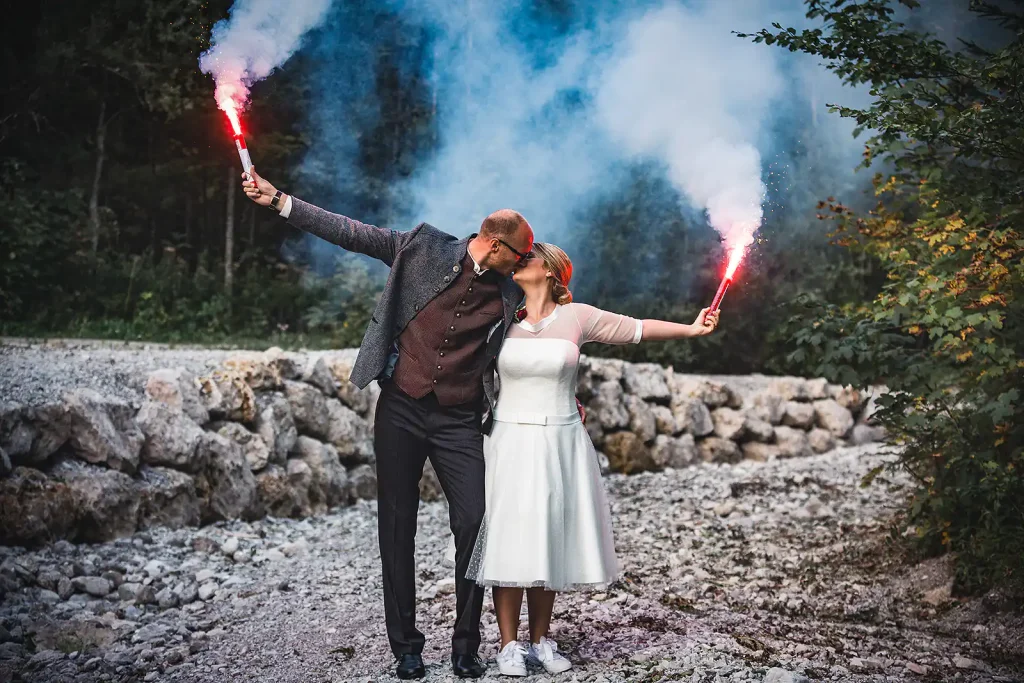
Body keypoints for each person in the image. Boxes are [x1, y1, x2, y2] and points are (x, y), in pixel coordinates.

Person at [242, 167, 533, 680]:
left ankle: (466, 645)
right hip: (401, 407)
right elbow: (351, 232)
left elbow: (550, 331)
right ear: (494, 244)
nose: (524, 262)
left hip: (459, 419)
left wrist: (566, 392)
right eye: (521, 254)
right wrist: (279, 200)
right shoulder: (422, 246)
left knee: (474, 520)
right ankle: (406, 647)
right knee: (397, 525)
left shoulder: (512, 294)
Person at [467, 242, 719, 676]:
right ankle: (508, 645)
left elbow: (637, 329)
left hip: (560, 438)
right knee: (508, 536)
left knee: (549, 535)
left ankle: (540, 640)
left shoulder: (577, 317)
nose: (518, 261)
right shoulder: (501, 316)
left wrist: (692, 330)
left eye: (527, 257)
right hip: (508, 439)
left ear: (550, 270)